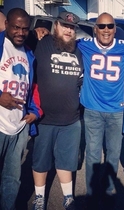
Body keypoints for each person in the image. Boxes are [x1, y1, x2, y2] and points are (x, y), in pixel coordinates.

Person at [31, 11, 83, 210]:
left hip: (71, 120)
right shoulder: (41, 44)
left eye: (72, 27)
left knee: (66, 161)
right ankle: (39, 198)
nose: (68, 30)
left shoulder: (78, 50)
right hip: (44, 118)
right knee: (40, 161)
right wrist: (34, 31)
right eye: (64, 25)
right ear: (56, 27)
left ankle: (68, 197)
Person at [77, 12, 124, 207]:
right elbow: (62, 41)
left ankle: (108, 191)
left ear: (115, 29)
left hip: (117, 110)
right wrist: (40, 34)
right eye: (102, 26)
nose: (106, 30)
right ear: (95, 29)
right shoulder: (84, 44)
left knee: (113, 153)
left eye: (109, 26)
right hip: (92, 109)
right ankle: (92, 194)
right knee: (92, 153)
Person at [0, 8, 42, 210]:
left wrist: (35, 110)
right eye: (16, 27)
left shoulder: (28, 53)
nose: (20, 32)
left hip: (18, 127)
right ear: (6, 24)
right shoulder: (0, 45)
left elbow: (31, 85)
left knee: (12, 179)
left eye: (25, 29)